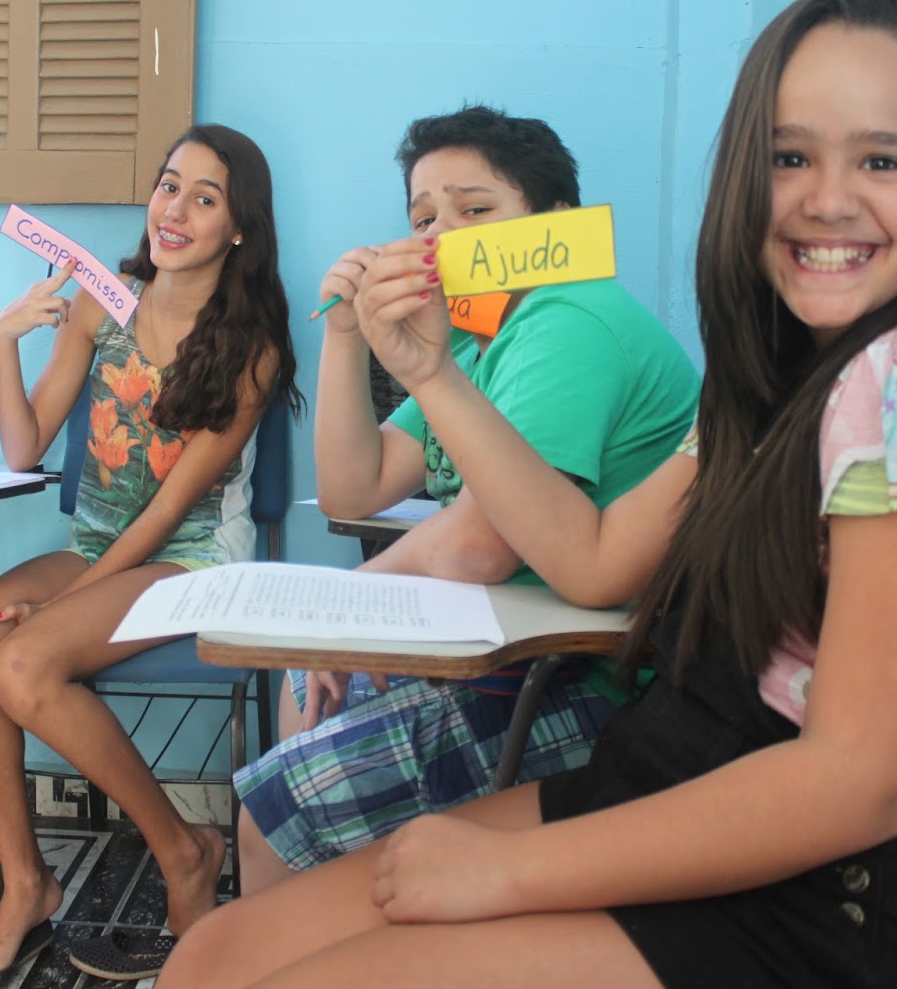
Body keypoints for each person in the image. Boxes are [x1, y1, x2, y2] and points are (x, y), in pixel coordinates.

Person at [159, 0, 897, 989]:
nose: (828, 198)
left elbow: (860, 783)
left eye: (883, 160)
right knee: (214, 956)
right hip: (685, 769)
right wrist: (425, 371)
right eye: (790, 157)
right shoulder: (770, 376)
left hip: (829, 899)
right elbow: (594, 562)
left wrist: (507, 869)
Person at [233, 105, 701, 898]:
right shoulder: (478, 342)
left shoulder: (566, 317)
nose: (441, 237)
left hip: (594, 682)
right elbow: (355, 488)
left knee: (272, 810)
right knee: (307, 695)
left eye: (474, 210)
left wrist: (349, 604)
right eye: (424, 219)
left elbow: (483, 543)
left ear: (554, 222)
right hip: (511, 650)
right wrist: (345, 337)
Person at [0, 124, 300, 988]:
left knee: (22, 664)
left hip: (195, 558)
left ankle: (184, 851)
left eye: (205, 198)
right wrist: (4, 340)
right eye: (169, 186)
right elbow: (23, 450)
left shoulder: (250, 348)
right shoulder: (105, 303)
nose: (175, 210)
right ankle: (27, 884)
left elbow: (170, 511)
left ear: (237, 228)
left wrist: (63, 608)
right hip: (99, 545)